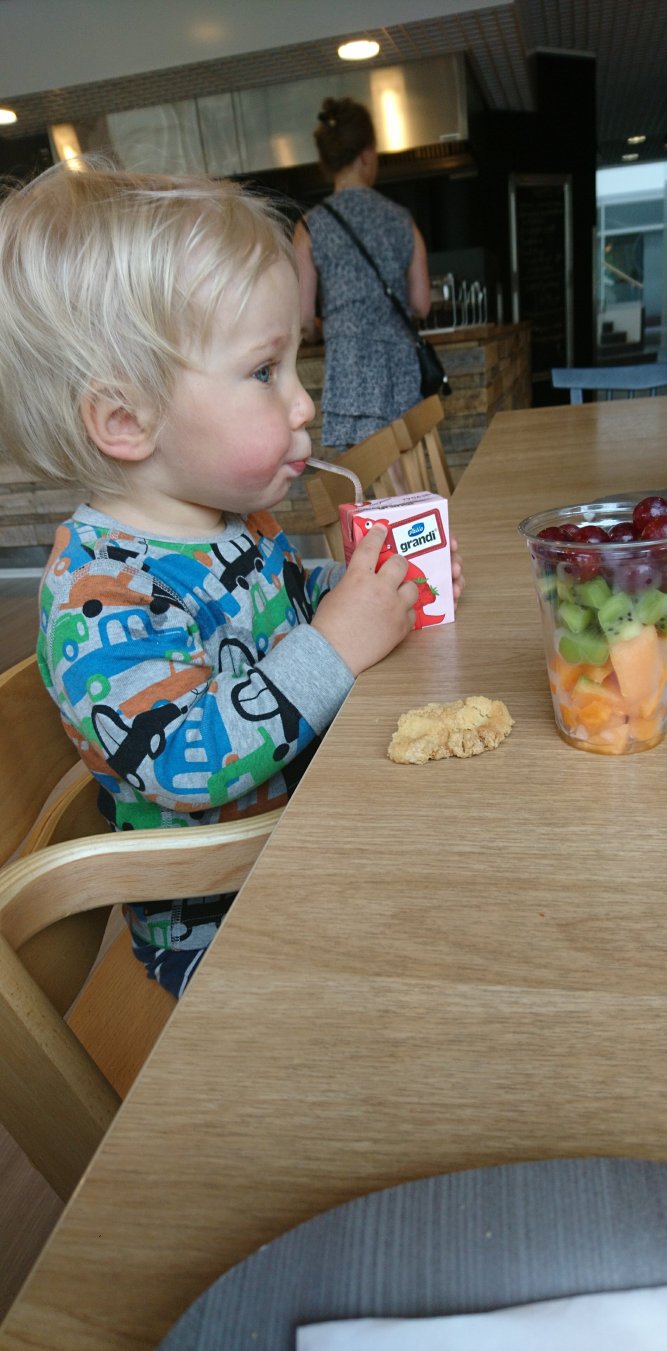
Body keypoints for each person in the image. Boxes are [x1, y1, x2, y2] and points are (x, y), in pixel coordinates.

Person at [0, 161, 464, 998]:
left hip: (319, 838)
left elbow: (290, 601)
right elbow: (186, 760)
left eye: (294, 366)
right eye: (264, 372)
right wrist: (336, 644)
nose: (304, 404)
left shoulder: (232, 519)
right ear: (126, 420)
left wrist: (375, 584)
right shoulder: (98, 597)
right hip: (232, 931)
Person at [294, 96, 431, 453]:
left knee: (362, 476)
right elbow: (421, 304)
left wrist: (329, 327)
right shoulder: (402, 219)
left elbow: (304, 320)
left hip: (349, 369)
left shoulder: (309, 227)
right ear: (367, 155)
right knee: (407, 474)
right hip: (400, 368)